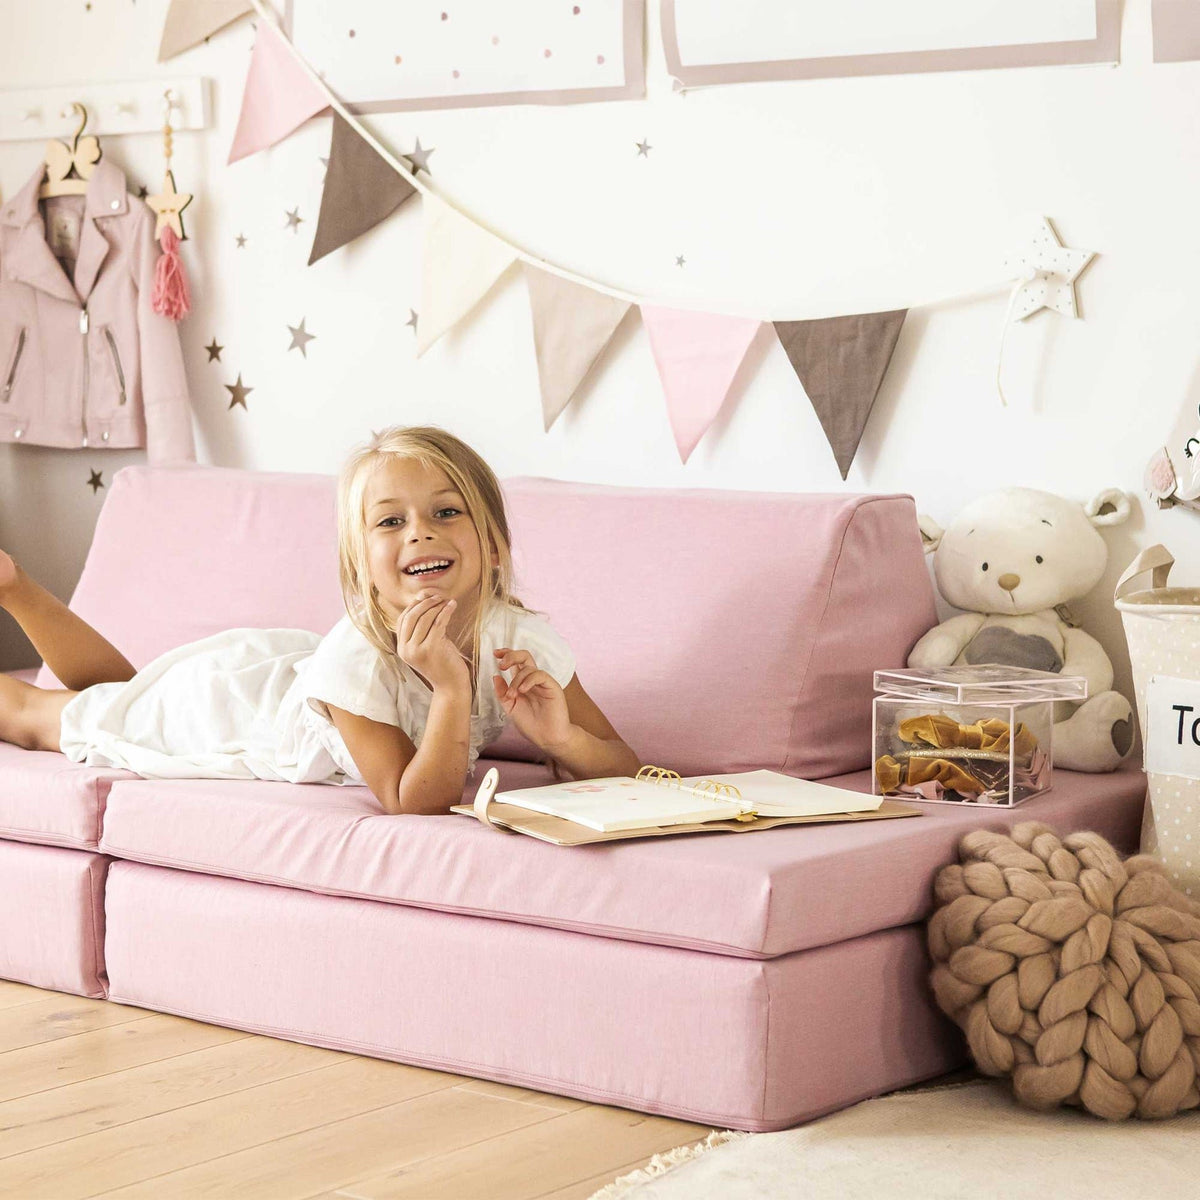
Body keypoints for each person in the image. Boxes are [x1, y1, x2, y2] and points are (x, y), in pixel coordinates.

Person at [0, 425, 640, 815]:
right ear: (362, 568)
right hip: (236, 708)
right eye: (390, 521)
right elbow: (412, 800)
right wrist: (449, 688)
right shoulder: (357, 660)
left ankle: (15, 589)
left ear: (495, 544)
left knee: (121, 698)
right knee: (48, 719)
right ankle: (15, 587)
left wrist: (562, 741)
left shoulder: (520, 639)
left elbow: (626, 768)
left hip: (279, 674)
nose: (419, 533)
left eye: (447, 512)